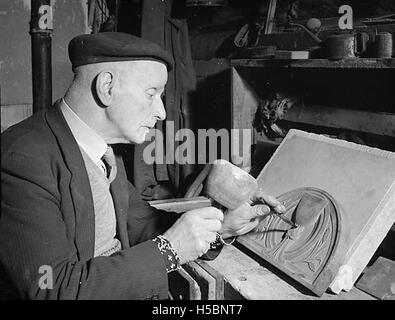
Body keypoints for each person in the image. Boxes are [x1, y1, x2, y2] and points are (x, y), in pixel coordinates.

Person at [0, 32, 285, 300]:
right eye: (152, 93)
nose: (161, 111)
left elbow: (143, 224)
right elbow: (48, 287)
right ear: (106, 87)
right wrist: (168, 251)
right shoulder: (21, 157)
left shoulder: (102, 149)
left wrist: (222, 227)